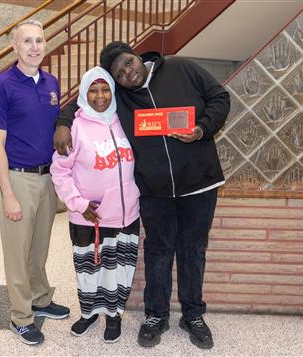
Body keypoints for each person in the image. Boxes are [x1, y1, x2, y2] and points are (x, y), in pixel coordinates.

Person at [54, 42, 230, 350]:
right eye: (119, 73)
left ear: (137, 55)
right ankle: (155, 316)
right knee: (159, 252)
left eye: (127, 63)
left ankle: (193, 315)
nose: (127, 72)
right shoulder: (119, 96)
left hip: (199, 183)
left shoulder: (180, 68)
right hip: (154, 190)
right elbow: (83, 99)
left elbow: (220, 98)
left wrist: (202, 129)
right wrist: (62, 122)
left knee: (193, 250)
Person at [0, 19, 69, 346]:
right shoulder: (2, 85)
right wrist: (9, 195)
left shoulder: (51, 82)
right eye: (27, 41)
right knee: (17, 252)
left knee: (39, 246)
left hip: (47, 176)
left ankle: (41, 299)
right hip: (18, 179)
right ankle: (21, 317)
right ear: (14, 47)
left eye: (39, 40)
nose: (35, 47)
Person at [50, 66, 140, 343]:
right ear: (83, 92)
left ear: (112, 92)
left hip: (126, 215)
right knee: (89, 269)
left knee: (119, 269)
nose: (100, 96)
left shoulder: (124, 119)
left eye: (105, 89)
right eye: (93, 90)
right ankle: (89, 313)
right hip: (89, 216)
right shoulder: (74, 127)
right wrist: (78, 203)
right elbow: (59, 171)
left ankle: (114, 316)